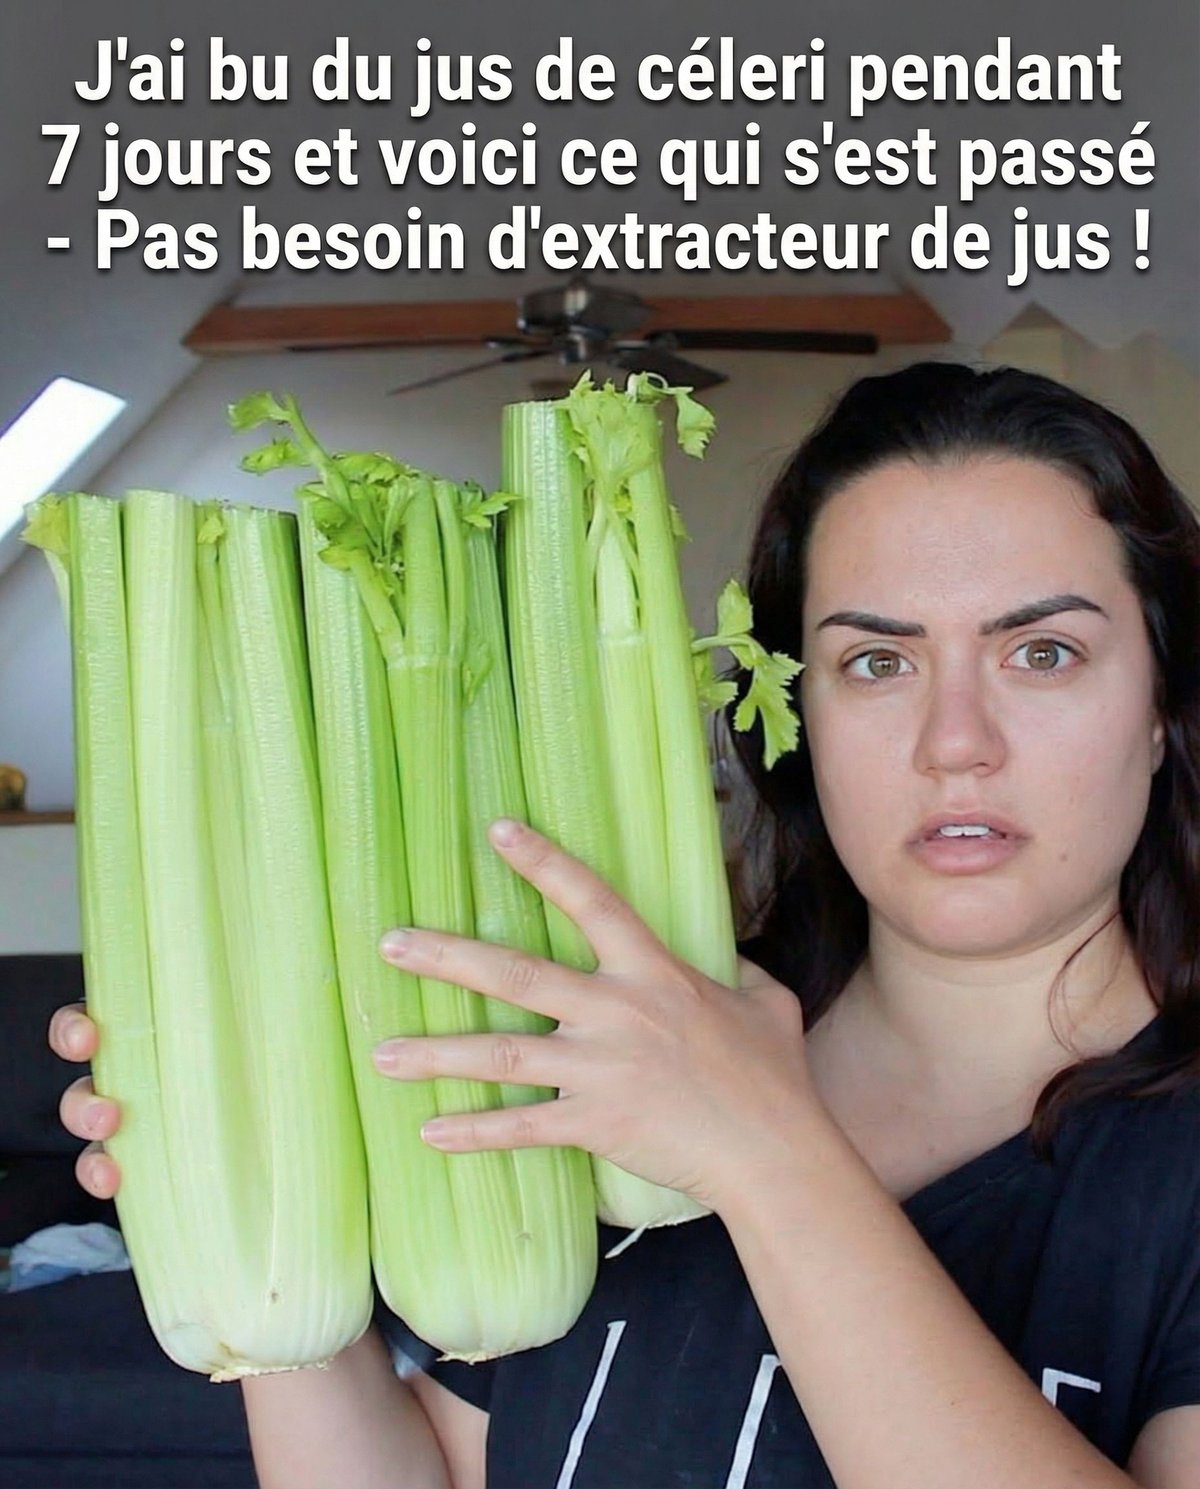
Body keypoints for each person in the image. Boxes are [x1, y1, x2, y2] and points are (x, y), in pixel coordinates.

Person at [51, 362, 1200, 1488]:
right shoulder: (610, 1039)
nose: (955, 742)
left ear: (1161, 706)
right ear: (799, 712)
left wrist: (763, 1149)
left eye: (1042, 653)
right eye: (877, 660)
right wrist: (261, 1179)